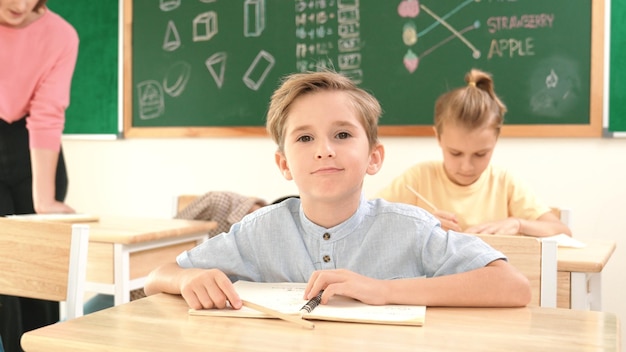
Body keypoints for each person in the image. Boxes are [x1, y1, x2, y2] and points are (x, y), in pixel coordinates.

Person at [144, 70, 531, 311]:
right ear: (283, 164)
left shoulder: (410, 227)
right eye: (305, 137)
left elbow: (512, 286)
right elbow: (156, 276)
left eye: (342, 134)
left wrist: (383, 291)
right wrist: (186, 279)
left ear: (373, 157)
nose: (324, 149)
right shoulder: (258, 231)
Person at [375, 69, 571, 238]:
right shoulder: (418, 178)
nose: (467, 166)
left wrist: (518, 224)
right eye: (455, 153)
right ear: (438, 138)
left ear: (496, 140)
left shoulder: (504, 183)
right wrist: (419, 223)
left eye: (480, 154)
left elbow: (562, 231)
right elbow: (367, 223)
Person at [0, 0, 79, 350]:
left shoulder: (61, 35)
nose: (20, 5)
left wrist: (43, 200)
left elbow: (47, 114)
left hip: (35, 153)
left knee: (38, 280)